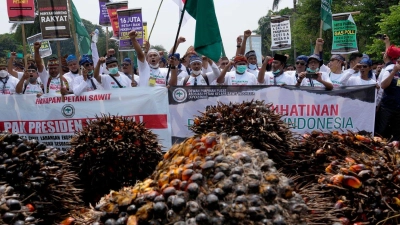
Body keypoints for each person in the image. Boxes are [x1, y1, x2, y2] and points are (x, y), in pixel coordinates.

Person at [375, 57, 400, 141]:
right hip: (387, 108)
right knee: (381, 131)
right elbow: (383, 85)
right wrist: (394, 72)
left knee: (396, 134)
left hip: (398, 109)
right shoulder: (389, 71)